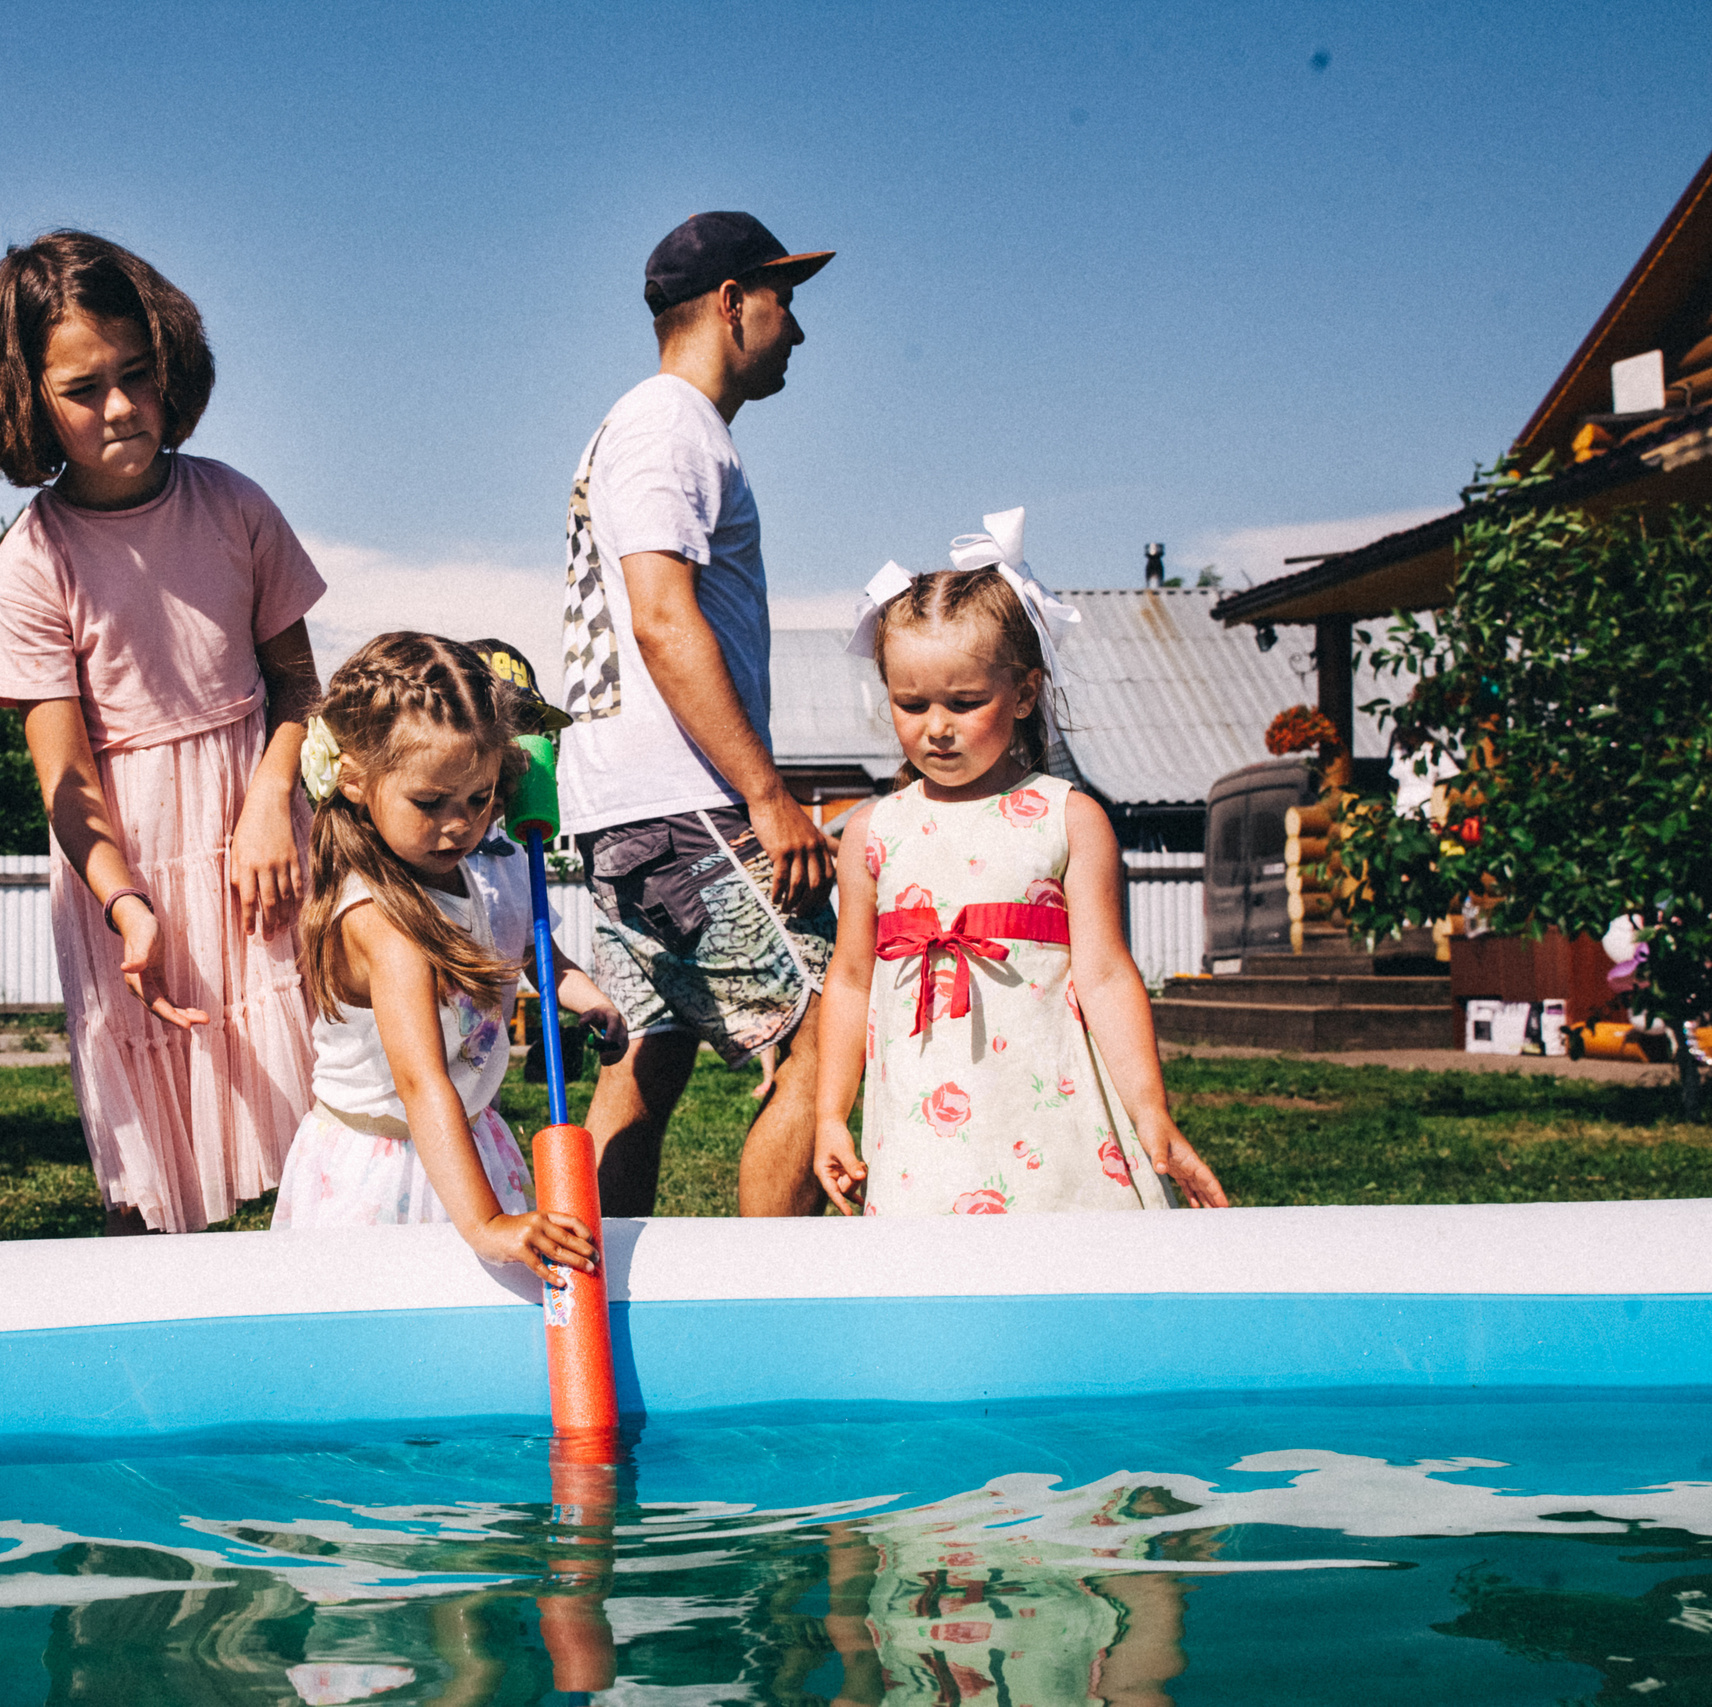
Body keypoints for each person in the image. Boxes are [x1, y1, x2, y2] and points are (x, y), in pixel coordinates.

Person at [0, 231, 323, 1235]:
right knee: (153, 1183)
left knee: (320, 1158)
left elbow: (298, 690)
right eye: (82, 389)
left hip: (263, 855)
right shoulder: (33, 564)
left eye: (137, 375)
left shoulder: (238, 505)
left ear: (170, 363)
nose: (118, 407)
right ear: (28, 401)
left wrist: (268, 806)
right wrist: (125, 907)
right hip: (132, 877)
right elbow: (65, 781)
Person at [810, 511, 1227, 1214]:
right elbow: (851, 980)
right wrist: (829, 1114)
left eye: (965, 701)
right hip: (922, 1133)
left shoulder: (1069, 818)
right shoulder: (873, 831)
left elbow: (1104, 974)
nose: (936, 725)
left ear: (1026, 693)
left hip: (1049, 1123)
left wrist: (1151, 1109)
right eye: (911, 703)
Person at [556, 211, 838, 1218]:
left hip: (625, 806)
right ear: (731, 303)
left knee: (648, 1054)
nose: (796, 330)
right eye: (783, 302)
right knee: (828, 1033)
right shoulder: (668, 422)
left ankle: (597, 1313)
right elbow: (663, 618)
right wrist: (766, 794)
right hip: (687, 804)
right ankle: (776, 1310)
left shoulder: (647, 424)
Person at [270, 634, 627, 1275]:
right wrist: (487, 1224)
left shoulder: (455, 875)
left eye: (479, 798)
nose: (460, 824)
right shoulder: (385, 920)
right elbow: (419, 1081)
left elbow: (517, 954)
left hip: (461, 1140)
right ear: (352, 779)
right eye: (429, 803)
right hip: (387, 1165)